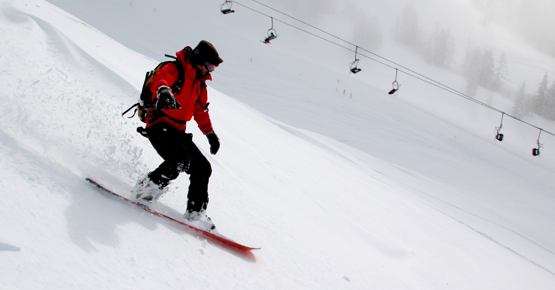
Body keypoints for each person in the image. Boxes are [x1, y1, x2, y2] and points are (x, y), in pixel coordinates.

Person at [132, 40, 223, 230]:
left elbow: (200, 112)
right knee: (179, 160)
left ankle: (195, 213)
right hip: (159, 124)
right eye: (210, 66)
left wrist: (210, 134)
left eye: (213, 68)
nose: (210, 71)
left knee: (202, 168)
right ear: (198, 59)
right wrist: (163, 90)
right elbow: (160, 79)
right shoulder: (175, 69)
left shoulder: (199, 84)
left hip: (178, 131)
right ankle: (145, 190)